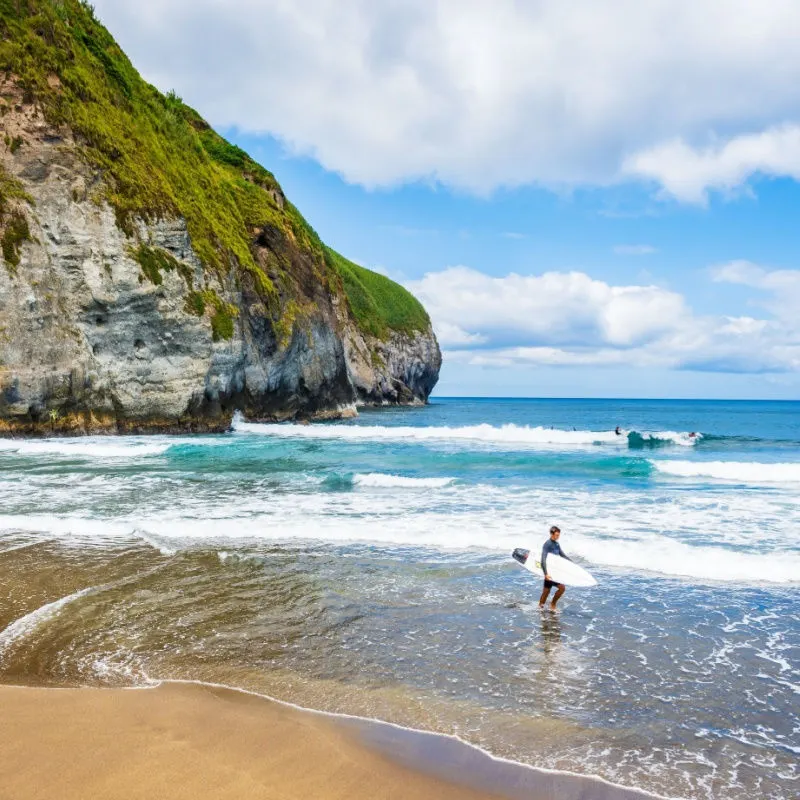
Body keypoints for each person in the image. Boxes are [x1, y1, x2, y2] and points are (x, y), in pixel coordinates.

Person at [539, 525, 572, 610]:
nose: (558, 537)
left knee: (562, 588)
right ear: (551, 534)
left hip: (555, 571)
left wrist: (572, 563)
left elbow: (562, 555)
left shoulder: (556, 544)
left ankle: (552, 604)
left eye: (558, 535)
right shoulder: (547, 544)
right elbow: (543, 559)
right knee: (546, 591)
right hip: (549, 572)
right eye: (556, 535)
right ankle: (540, 607)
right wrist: (546, 574)